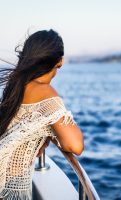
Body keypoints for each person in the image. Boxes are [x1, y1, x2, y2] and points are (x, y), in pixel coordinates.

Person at [0, 29, 84, 199]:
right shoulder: (45, 93)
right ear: (60, 62)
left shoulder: (16, 84)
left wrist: (46, 131)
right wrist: (52, 133)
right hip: (9, 189)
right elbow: (75, 146)